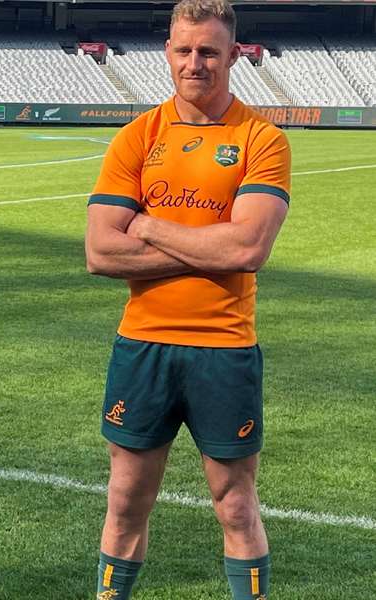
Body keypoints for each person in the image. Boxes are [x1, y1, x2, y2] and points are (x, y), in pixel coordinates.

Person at [84, 1, 290, 599]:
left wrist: (147, 226)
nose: (195, 62)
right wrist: (210, 246)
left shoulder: (261, 139)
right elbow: (100, 252)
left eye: (209, 51)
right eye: (184, 50)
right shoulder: (137, 137)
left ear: (232, 56)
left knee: (235, 504)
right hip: (143, 343)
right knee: (125, 501)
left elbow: (249, 246)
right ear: (168, 53)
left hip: (223, 347)